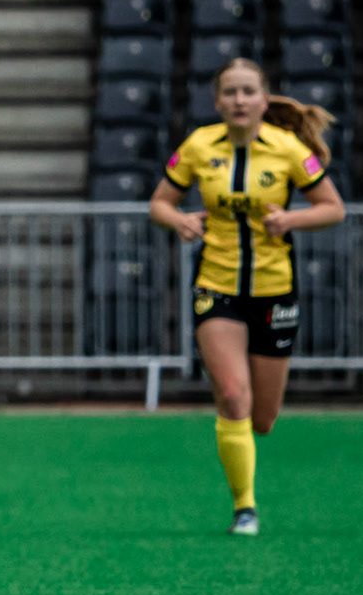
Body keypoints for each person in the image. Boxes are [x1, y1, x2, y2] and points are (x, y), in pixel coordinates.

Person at [148, 58, 345, 536]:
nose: (239, 100)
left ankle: (243, 439)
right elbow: (159, 203)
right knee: (234, 396)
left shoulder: (289, 149)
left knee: (263, 419)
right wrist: (180, 222)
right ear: (217, 101)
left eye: (248, 91)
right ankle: (245, 508)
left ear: (263, 99)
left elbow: (333, 208)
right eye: (230, 92)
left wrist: (290, 221)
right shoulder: (198, 145)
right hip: (216, 286)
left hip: (275, 290)